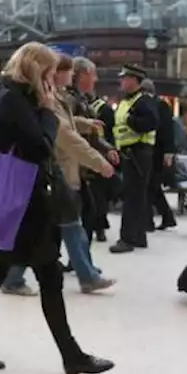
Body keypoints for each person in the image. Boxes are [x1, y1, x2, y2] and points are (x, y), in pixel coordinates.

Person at [0, 43, 114, 374]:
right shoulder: (15, 101)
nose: (53, 80)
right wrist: (46, 112)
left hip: (19, 204)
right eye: (49, 72)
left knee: (12, 276)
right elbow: (38, 147)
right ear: (35, 70)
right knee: (39, 276)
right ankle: (69, 356)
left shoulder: (16, 98)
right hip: (18, 206)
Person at [2, 55, 117, 295]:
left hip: (55, 172)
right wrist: (98, 162)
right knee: (59, 226)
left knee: (63, 226)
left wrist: (85, 123)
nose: (70, 76)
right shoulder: (43, 98)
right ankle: (16, 278)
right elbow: (65, 137)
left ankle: (85, 275)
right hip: (55, 172)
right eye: (64, 70)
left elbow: (66, 125)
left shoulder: (52, 95)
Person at [110, 65, 160, 253]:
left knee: (132, 197)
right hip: (129, 153)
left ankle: (127, 238)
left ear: (134, 80)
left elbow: (151, 123)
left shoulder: (143, 100)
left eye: (124, 78)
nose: (121, 81)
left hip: (138, 153)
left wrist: (133, 122)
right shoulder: (126, 101)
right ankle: (138, 236)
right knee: (135, 196)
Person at [70, 57, 116, 242]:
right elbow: (67, 130)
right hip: (73, 165)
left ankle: (80, 263)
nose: (95, 79)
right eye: (93, 74)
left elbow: (94, 134)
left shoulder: (83, 100)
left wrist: (107, 148)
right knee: (77, 217)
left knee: (86, 214)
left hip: (83, 165)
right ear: (83, 75)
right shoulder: (70, 99)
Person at [146, 79, 177, 232]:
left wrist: (168, 153)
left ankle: (149, 221)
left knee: (151, 187)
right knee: (153, 187)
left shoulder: (161, 105)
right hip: (150, 152)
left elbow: (168, 131)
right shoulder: (151, 105)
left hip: (159, 153)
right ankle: (167, 217)